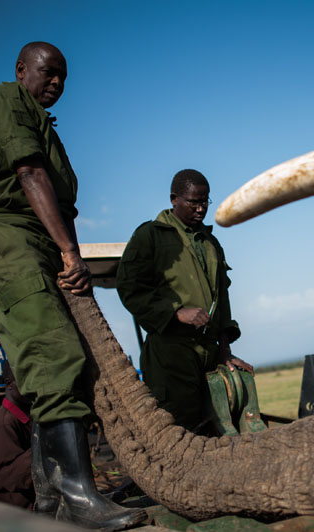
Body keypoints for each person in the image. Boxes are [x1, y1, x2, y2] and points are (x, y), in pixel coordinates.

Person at [0, 41, 144, 530]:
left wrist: (71, 263)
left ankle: (52, 500)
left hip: (38, 243)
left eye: (64, 76)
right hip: (6, 240)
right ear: (21, 70)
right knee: (55, 353)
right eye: (48, 72)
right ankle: (79, 498)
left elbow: (63, 207)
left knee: (57, 371)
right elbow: (28, 172)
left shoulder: (49, 133)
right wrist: (69, 253)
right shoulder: (5, 100)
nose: (57, 82)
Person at [116, 169, 254, 433]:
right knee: (178, 432)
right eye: (194, 202)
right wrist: (176, 313)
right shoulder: (150, 236)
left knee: (218, 429)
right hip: (170, 355)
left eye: (205, 202)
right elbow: (130, 287)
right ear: (174, 199)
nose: (201, 209)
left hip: (209, 353)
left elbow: (222, 299)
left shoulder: (211, 243)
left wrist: (224, 349)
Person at [0, 363, 34, 509]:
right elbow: (13, 476)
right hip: (16, 511)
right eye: (24, 380)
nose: (31, 386)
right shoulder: (3, 424)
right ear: (9, 384)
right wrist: (42, 448)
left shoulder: (21, 417)